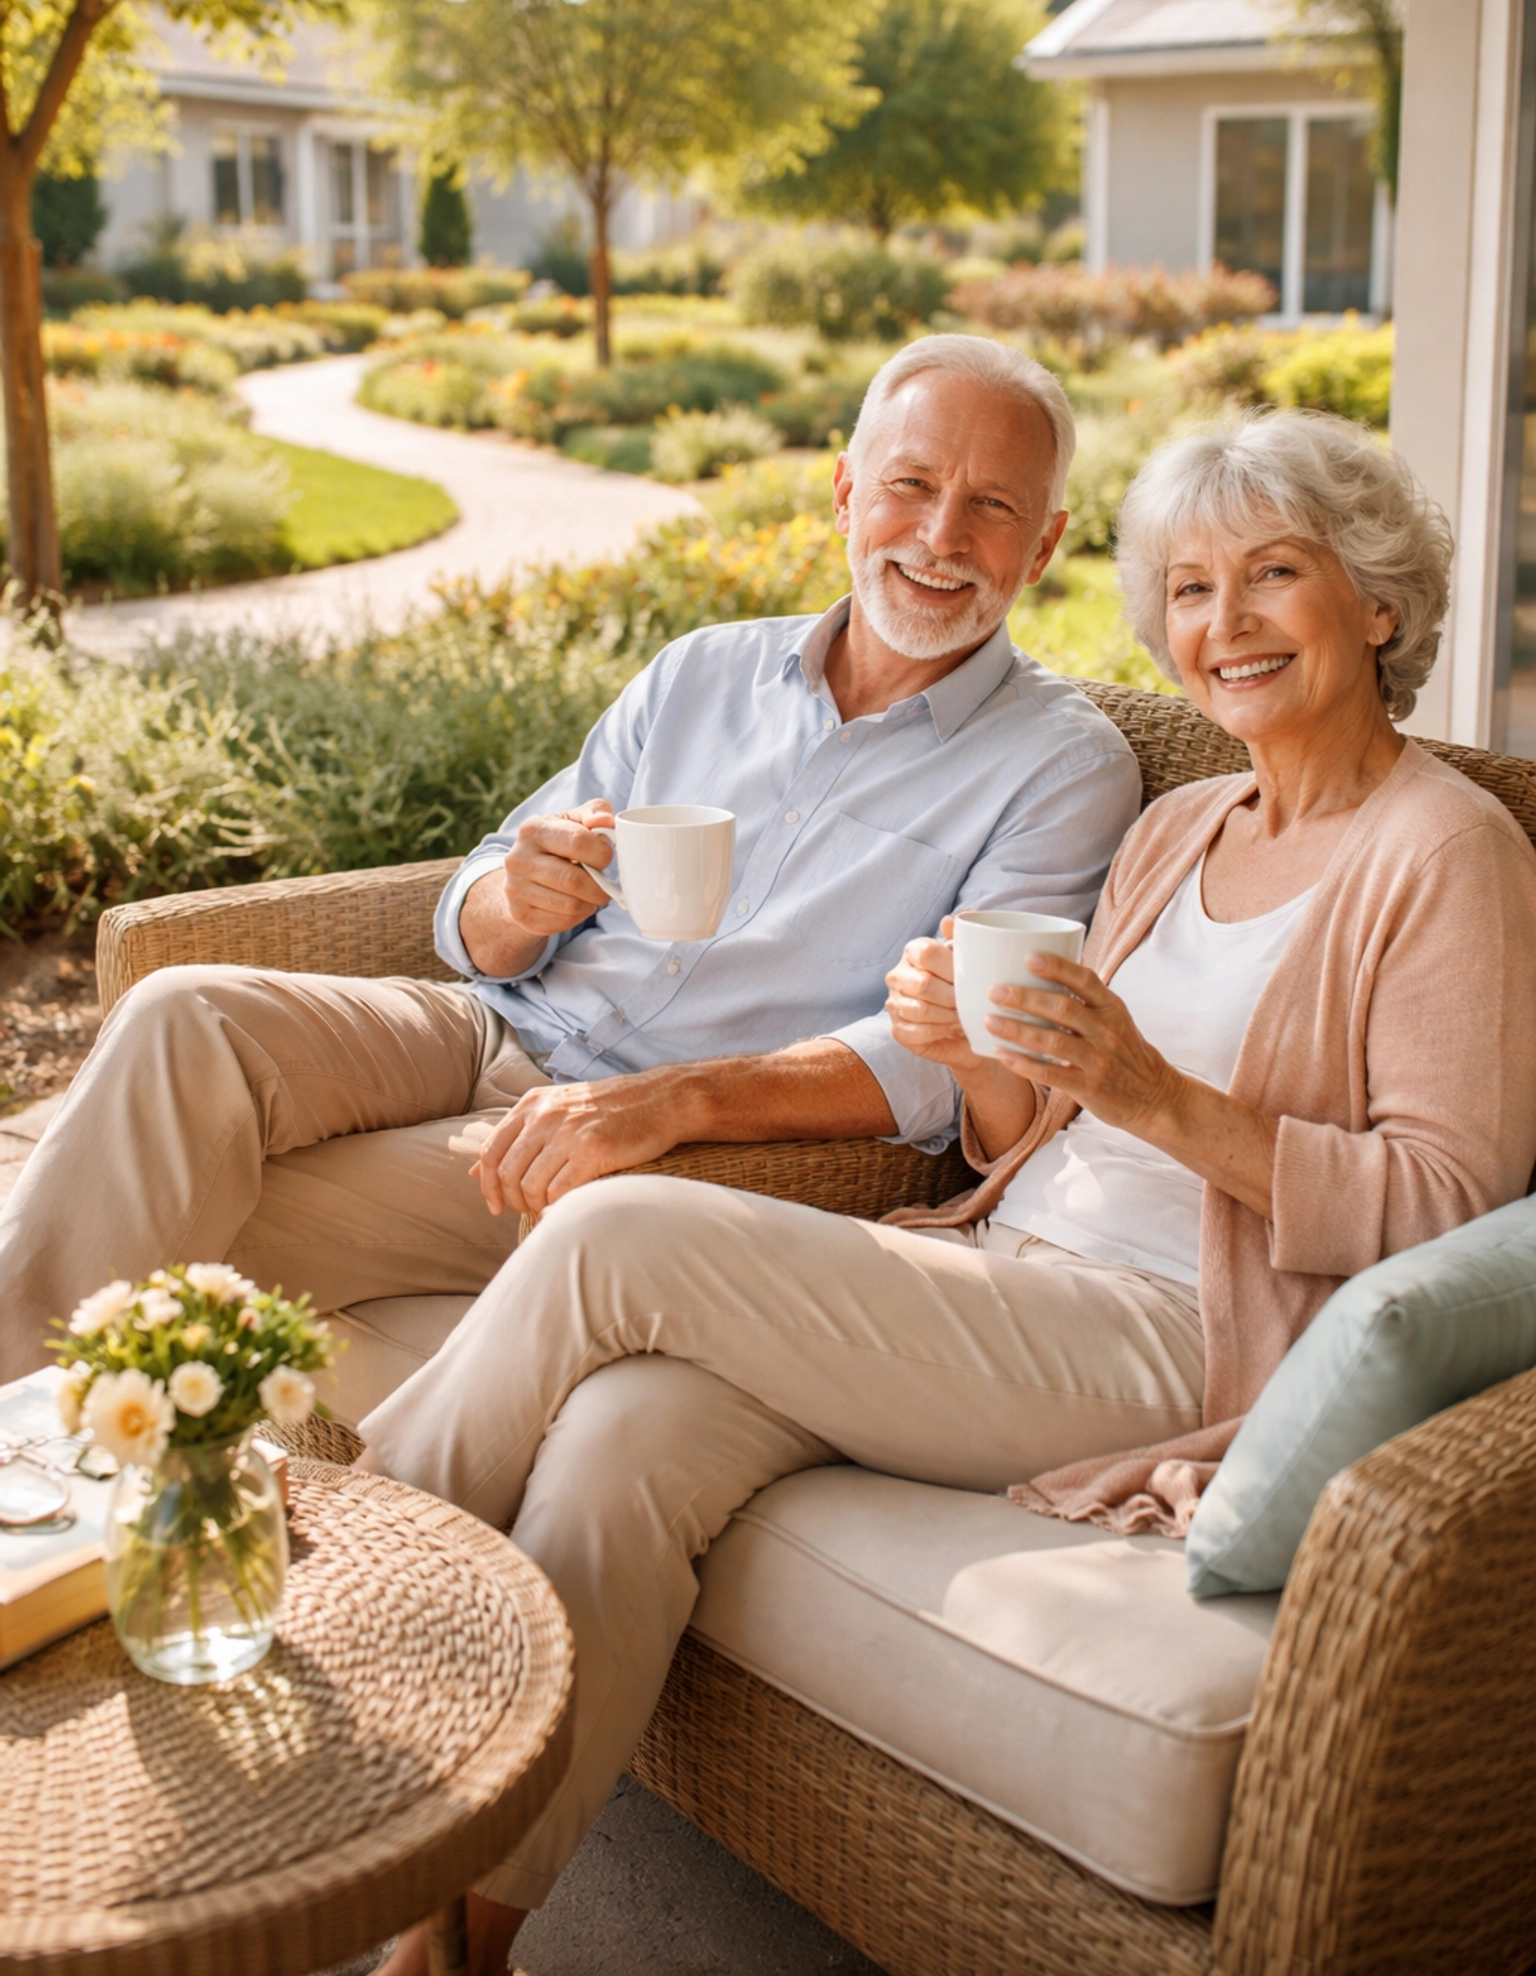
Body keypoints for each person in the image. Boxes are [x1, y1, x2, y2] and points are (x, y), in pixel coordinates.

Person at [359, 410, 1536, 1976]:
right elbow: (1015, 1140)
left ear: (1377, 605)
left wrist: (1161, 1100)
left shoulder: (1450, 854)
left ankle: (319, 1638)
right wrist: (970, 1056)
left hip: (1180, 1329)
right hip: (1015, 1266)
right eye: (1189, 590)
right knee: (627, 1439)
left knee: (617, 1229)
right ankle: (452, 1948)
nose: (1224, 626)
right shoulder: (1181, 826)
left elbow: (1452, 1201)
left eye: (1273, 576)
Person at [0, 334, 1142, 1373]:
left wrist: (670, 1101)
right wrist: (517, 897)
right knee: (182, 1012)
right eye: (911, 484)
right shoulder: (702, 670)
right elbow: (479, 904)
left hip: (661, 1134)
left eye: (993, 506)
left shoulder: (1062, 767)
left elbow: (951, 1064)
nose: (942, 537)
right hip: (494, 1024)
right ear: (847, 493)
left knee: (196, 1198)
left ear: (1043, 547)